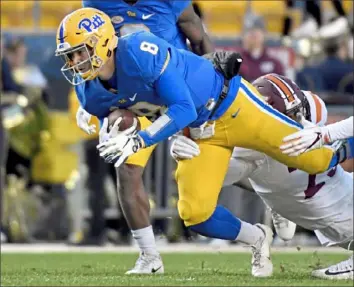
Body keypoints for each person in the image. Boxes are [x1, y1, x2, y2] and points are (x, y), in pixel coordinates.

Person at [55, 8, 351, 277]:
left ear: (104, 42)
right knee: (195, 213)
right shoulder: (89, 93)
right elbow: (137, 113)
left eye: (81, 52)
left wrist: (140, 140)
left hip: (232, 105)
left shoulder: (140, 52)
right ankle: (258, 237)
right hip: (200, 132)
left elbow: (182, 106)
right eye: (71, 56)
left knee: (315, 159)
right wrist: (116, 129)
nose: (76, 62)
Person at [75, 0, 213, 273]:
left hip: (176, 94)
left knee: (223, 158)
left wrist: (212, 90)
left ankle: (272, 191)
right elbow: (85, 51)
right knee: (125, 166)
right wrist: (88, 96)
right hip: (131, 100)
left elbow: (199, 39)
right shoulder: (95, 3)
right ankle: (149, 256)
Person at [171, 73, 353, 280]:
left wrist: (333, 145)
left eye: (297, 112)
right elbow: (211, 178)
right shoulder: (248, 145)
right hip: (322, 206)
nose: (295, 119)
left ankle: (277, 204)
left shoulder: (311, 107)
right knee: (199, 207)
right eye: (289, 115)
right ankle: (267, 218)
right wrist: (186, 151)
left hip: (332, 202)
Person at [239, 15, 285, 82]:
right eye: (249, 31)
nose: (253, 33)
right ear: (242, 36)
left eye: (256, 30)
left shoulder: (275, 64)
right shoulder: (235, 64)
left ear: (264, 34)